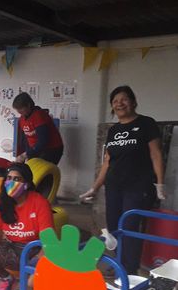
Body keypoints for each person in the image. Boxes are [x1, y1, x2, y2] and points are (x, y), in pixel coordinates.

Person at [80, 85, 165, 275]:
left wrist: (160, 183)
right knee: (114, 228)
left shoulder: (146, 123)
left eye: (124, 99)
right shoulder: (113, 130)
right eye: (115, 101)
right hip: (114, 186)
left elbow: (156, 154)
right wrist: (95, 187)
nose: (120, 103)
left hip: (138, 186)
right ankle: (119, 264)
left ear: (133, 102)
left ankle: (129, 270)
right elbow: (108, 162)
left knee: (129, 227)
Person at [0, 163, 54, 290]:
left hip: (35, 251)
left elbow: (49, 243)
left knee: (31, 288)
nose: (11, 182)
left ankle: (26, 277)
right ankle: (7, 279)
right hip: (12, 248)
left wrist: (34, 269)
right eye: (9, 178)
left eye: (17, 179)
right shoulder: (0, 203)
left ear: (27, 184)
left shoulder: (39, 203)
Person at [13, 92, 64, 164]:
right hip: (35, 149)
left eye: (21, 109)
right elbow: (25, 139)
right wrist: (27, 155)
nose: (19, 112)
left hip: (51, 149)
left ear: (28, 105)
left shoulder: (39, 115)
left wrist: (26, 154)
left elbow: (43, 140)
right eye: (17, 109)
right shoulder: (22, 119)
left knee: (41, 172)